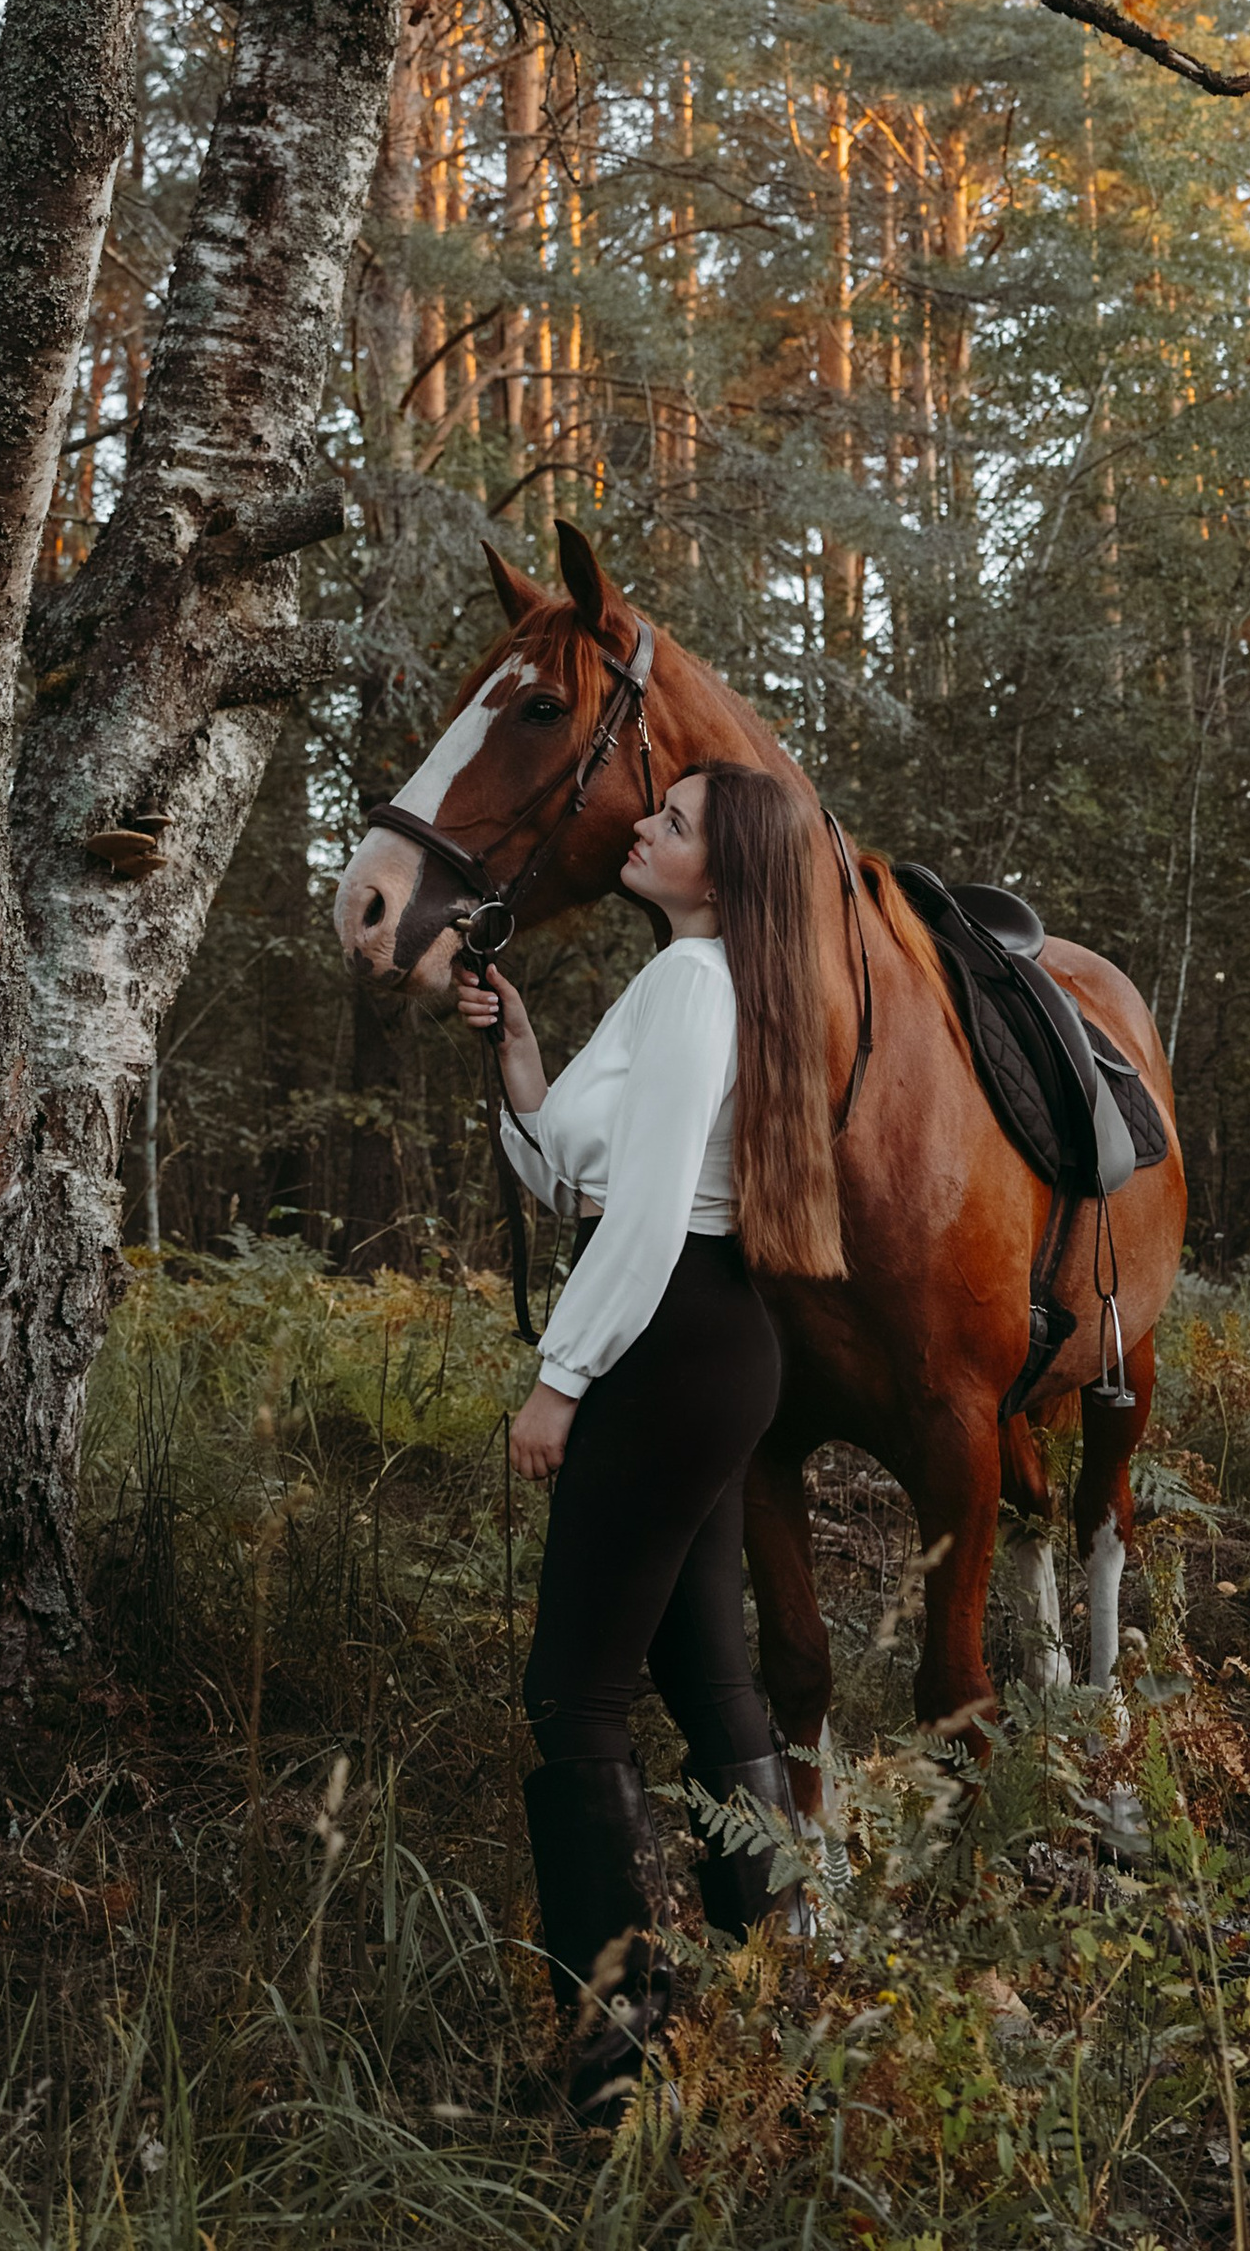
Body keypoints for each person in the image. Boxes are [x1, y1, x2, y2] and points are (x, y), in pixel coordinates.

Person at [455, 760, 846, 2124]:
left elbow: (643, 1214)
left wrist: (562, 1379)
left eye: (673, 823)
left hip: (665, 1341)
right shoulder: (717, 980)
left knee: (575, 1699)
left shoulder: (694, 983)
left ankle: (615, 2076)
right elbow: (576, 1173)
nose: (643, 826)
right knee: (713, 1688)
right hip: (711, 1339)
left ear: (724, 869)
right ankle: (791, 2017)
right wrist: (518, 1054)